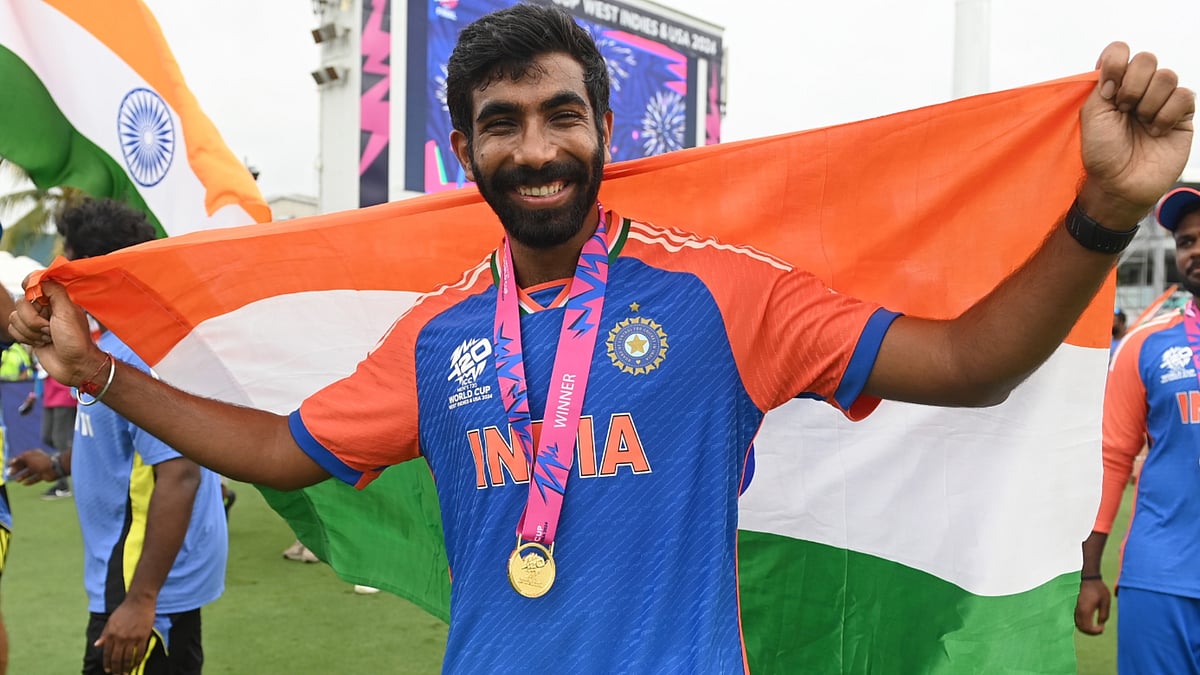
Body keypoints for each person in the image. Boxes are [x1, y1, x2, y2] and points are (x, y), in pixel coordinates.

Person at [8, 6, 1195, 672]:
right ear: (467, 151)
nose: (535, 149)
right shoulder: (441, 334)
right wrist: (99, 370)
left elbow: (971, 364)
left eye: (560, 115)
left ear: (605, 128)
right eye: (503, 126)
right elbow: (277, 448)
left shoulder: (725, 297)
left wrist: (1103, 213)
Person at [7, 198, 227, 675]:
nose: (51, 277)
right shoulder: (108, 344)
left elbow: (180, 473)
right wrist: (61, 463)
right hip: (133, 575)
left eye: (63, 264)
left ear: (90, 273)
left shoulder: (139, 354)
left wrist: (141, 601)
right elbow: (127, 447)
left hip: (141, 584)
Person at [1075, 186, 1200, 673]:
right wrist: (1090, 573)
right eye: (1186, 242)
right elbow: (1111, 458)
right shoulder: (1145, 345)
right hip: (1161, 578)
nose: (1195, 251)